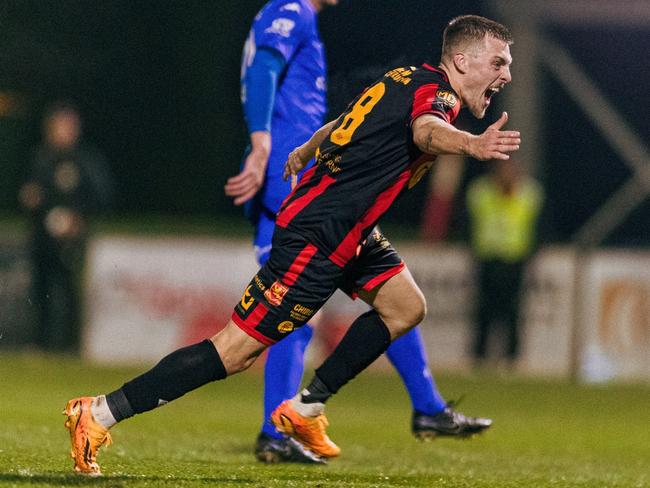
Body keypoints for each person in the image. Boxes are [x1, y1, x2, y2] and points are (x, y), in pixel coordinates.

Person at [63, 14, 519, 476]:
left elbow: (347, 121)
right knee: (234, 351)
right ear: (461, 61)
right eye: (498, 62)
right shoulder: (437, 95)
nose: (506, 75)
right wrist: (471, 145)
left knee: (405, 306)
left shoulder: (406, 78)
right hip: (318, 234)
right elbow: (426, 131)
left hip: (349, 229)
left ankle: (306, 407)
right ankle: (99, 413)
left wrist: (306, 148)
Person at [227, 0, 491, 464]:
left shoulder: (293, 14)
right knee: (287, 316)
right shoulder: (292, 9)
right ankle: (276, 430)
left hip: (315, 182)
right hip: (294, 187)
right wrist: (262, 142)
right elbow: (265, 67)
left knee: (395, 296)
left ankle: (426, 406)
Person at [19, 101, 114, 352]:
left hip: (72, 240)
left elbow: (101, 197)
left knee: (70, 292)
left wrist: (79, 220)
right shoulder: (40, 158)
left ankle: (72, 346)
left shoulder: (85, 161)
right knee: (41, 291)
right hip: (42, 238)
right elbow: (31, 192)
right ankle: (41, 344)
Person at [466, 159, 543, 367]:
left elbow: (539, 226)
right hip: (487, 258)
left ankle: (511, 359)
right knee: (484, 309)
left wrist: (533, 253)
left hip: (515, 260)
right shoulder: (480, 190)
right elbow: (466, 221)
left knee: (512, 311)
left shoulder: (530, 193)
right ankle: (479, 357)